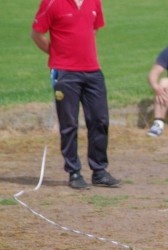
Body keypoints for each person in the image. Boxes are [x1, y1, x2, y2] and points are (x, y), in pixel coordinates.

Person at [31, 0, 120, 190]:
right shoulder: (52, 3)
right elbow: (37, 33)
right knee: (69, 123)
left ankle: (99, 171)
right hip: (65, 72)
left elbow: (93, 29)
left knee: (100, 119)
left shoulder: (94, 2)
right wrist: (55, 52)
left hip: (92, 70)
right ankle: (74, 172)